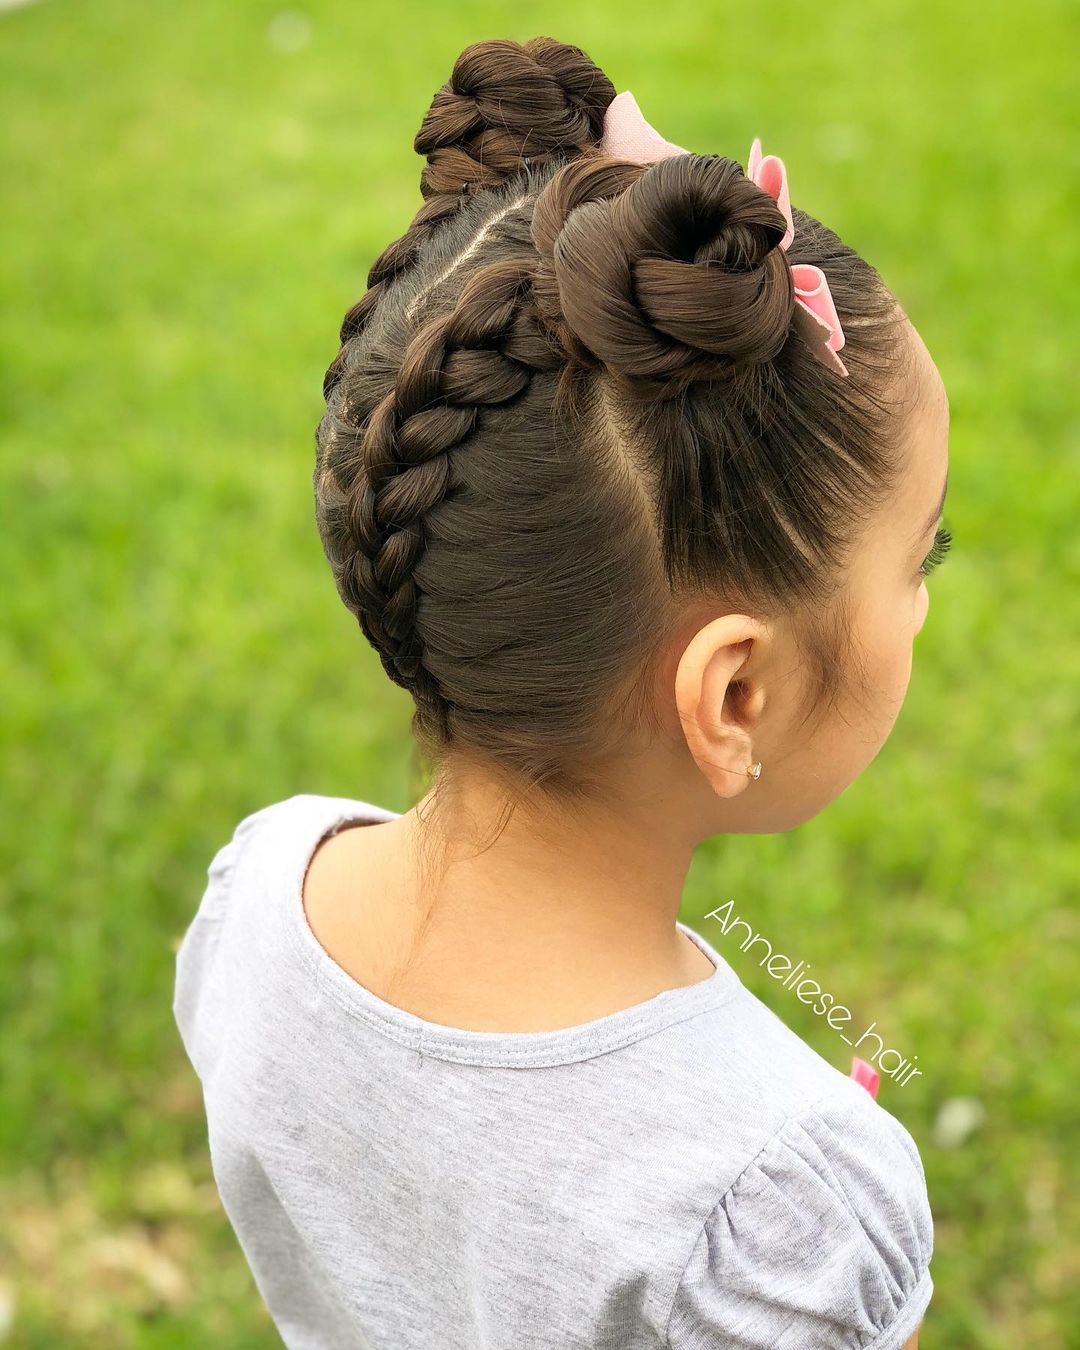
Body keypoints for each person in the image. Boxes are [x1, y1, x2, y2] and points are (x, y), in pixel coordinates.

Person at [174, 34, 949, 1349]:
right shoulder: (775, 1214)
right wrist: (788, 1154)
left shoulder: (257, 890)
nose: (926, 597)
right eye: (923, 554)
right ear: (736, 695)